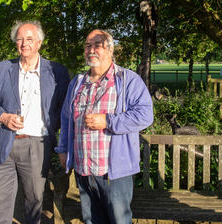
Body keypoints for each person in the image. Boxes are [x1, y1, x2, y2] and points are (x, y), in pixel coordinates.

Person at [55, 29, 153, 224]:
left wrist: (108, 121)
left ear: (110, 49)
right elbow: (66, 118)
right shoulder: (78, 83)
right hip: (84, 170)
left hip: (114, 173)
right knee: (92, 220)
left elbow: (145, 115)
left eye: (97, 45)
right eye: (87, 46)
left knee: (119, 221)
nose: (91, 50)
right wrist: (64, 149)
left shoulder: (127, 80)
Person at [0, 20, 69, 224]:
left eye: (29, 39)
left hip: (37, 145)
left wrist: (52, 128)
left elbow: (64, 108)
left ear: (39, 42)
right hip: (5, 141)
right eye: (19, 39)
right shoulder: (3, 68)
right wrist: (3, 116)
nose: (24, 43)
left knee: (34, 200)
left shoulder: (56, 71)